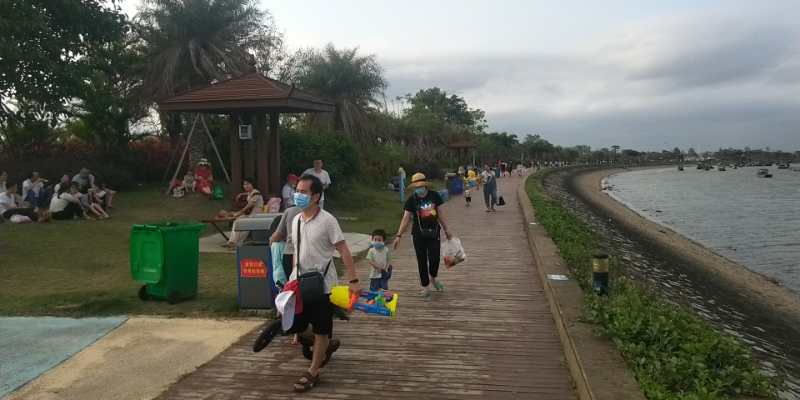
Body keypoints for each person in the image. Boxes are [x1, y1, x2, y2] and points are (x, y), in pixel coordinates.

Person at [287, 174, 359, 393]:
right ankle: (325, 344)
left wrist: (353, 280)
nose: (298, 195)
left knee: (320, 329)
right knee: (293, 325)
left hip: (323, 286)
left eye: (303, 192)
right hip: (300, 283)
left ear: (316, 196)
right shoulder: (296, 220)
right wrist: (291, 279)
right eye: (297, 191)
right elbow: (297, 252)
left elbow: (343, 249)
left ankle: (313, 372)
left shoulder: (328, 220)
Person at [392, 173, 453, 299]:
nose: (418, 188)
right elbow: (406, 218)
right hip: (418, 234)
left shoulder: (434, 196)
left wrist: (447, 229)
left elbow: (440, 213)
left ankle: (433, 277)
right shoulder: (412, 200)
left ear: (425, 185)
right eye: (416, 186)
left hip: (434, 232)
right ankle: (425, 286)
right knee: (421, 260)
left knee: (435, 258)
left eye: (420, 186)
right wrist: (398, 235)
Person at [222, 178, 264, 248]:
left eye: (248, 184)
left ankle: (237, 243)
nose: (246, 186)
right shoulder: (250, 193)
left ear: (252, 184)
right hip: (250, 214)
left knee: (245, 224)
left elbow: (248, 206)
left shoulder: (256, 193)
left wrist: (239, 213)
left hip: (256, 214)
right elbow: (248, 194)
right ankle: (232, 241)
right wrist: (241, 194)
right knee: (237, 221)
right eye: (244, 184)